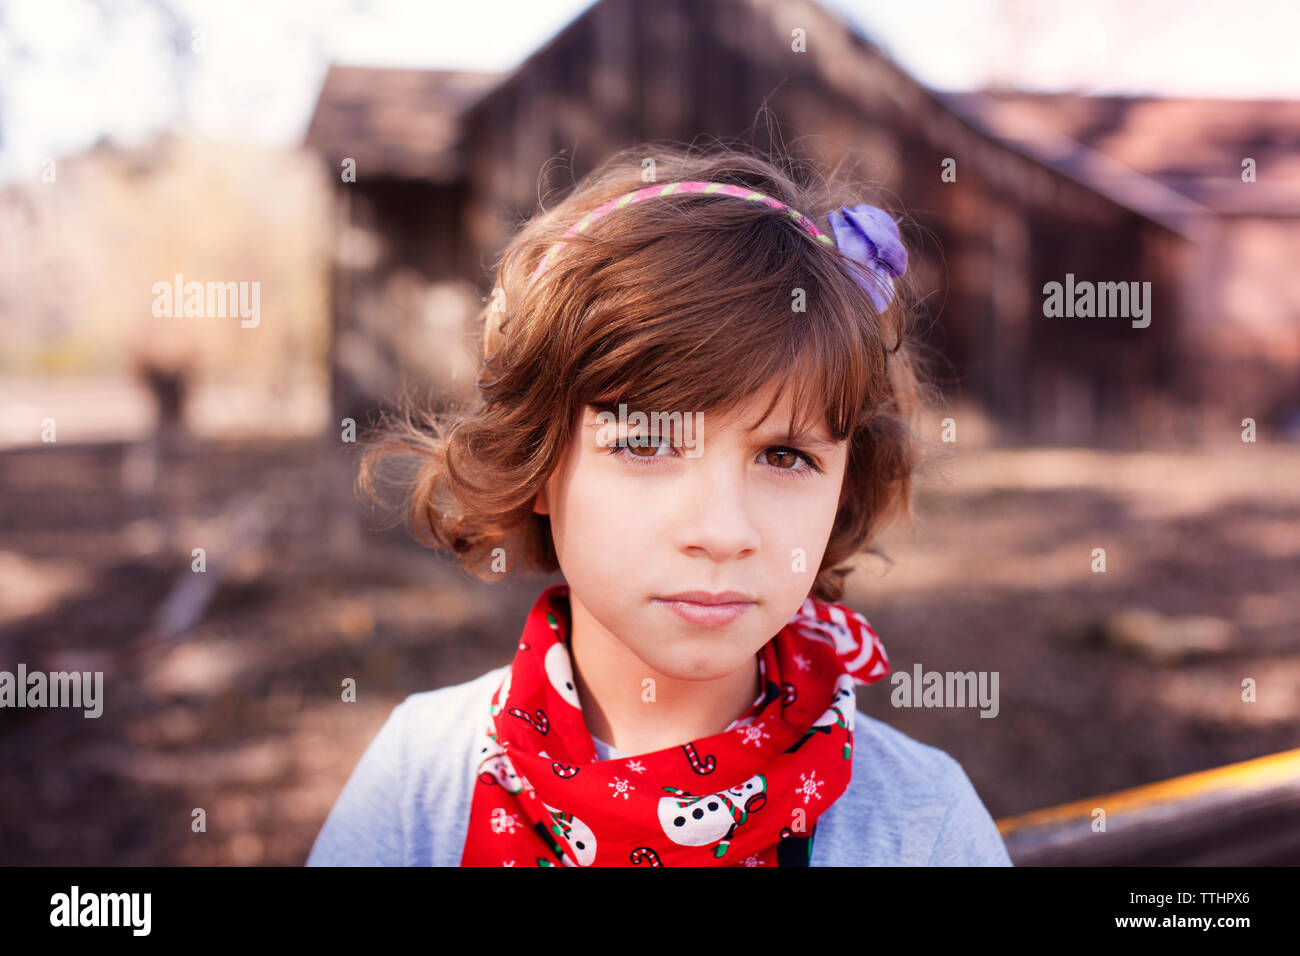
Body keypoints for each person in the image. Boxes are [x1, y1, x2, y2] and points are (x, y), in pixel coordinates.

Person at [307, 143, 1012, 867]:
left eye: (784, 456)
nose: (721, 531)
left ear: (843, 489)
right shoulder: (421, 784)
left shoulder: (919, 826)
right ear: (540, 462)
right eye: (646, 444)